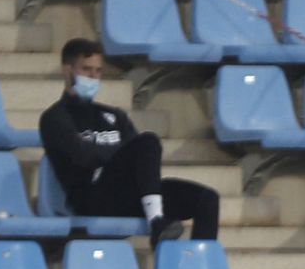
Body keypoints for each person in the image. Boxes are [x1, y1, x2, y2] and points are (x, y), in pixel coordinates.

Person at [40, 39, 220, 245]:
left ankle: (198, 263)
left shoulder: (113, 115)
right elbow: (83, 156)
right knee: (148, 141)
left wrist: (106, 153)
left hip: (128, 195)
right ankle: (156, 220)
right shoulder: (55, 118)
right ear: (67, 71)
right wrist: (117, 152)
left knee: (206, 199)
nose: (93, 77)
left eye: (98, 71)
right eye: (86, 69)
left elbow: (135, 154)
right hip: (91, 199)